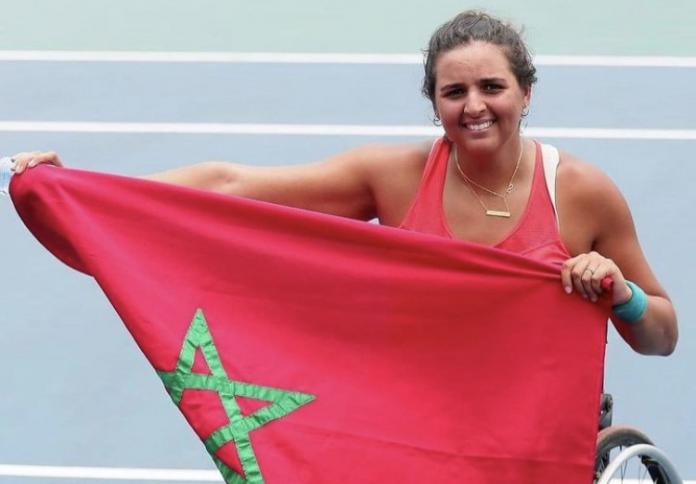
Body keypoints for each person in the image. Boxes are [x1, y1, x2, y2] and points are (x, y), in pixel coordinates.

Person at [9, 10, 677, 355]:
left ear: (525, 94)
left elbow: (663, 336)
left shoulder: (582, 192)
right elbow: (230, 182)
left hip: (529, 419)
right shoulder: (393, 178)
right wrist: (94, 194)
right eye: (454, 91)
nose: (474, 104)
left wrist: (620, 295)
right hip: (411, 399)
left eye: (492, 87)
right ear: (434, 102)